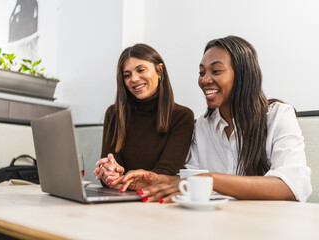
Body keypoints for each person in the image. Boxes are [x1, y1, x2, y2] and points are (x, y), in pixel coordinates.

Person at [129, 36, 312, 202]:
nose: (205, 80)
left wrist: (212, 179)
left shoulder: (278, 115)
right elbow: (192, 179)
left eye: (216, 71)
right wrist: (155, 180)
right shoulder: (203, 125)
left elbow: (290, 187)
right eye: (202, 73)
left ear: (243, 75)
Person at [93, 43, 194, 191]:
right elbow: (110, 173)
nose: (134, 79)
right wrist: (109, 173)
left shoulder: (182, 116)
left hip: (158, 200)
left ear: (160, 70)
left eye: (141, 70)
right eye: (127, 75)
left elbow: (165, 174)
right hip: (121, 199)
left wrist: (124, 180)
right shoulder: (114, 114)